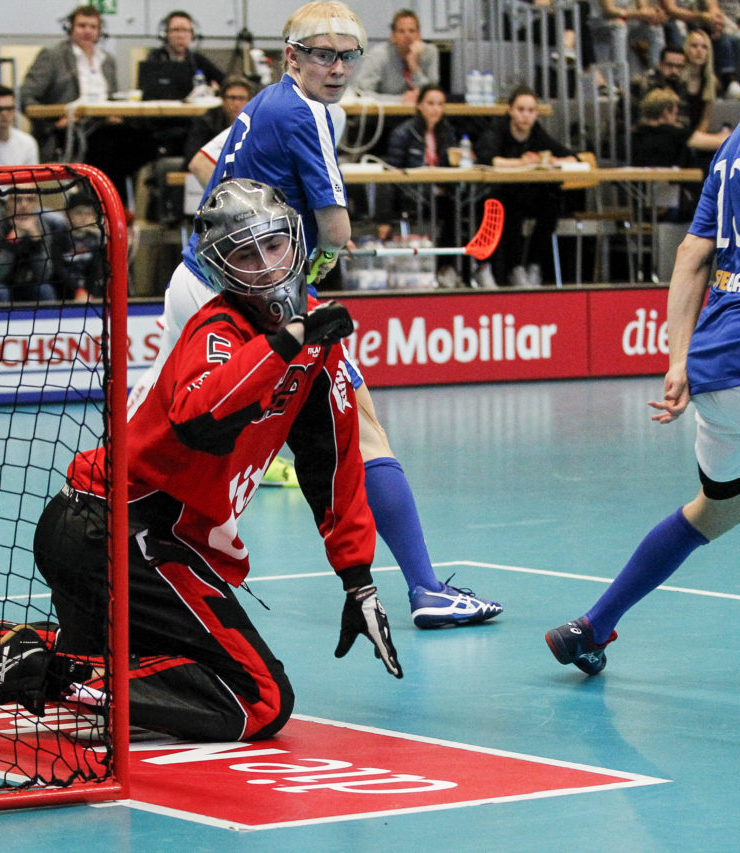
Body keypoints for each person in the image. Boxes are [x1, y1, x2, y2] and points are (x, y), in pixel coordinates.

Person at [0, 179, 403, 741]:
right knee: (259, 699)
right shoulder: (219, 330)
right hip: (124, 533)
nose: (266, 265)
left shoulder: (315, 345)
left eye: (274, 244)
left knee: (131, 657)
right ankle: (55, 675)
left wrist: (359, 583)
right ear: (224, 270)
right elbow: (202, 416)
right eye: (245, 254)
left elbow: (332, 466)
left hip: (94, 527)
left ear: (295, 241)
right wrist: (288, 341)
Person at [132, 1, 503, 629]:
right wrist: (320, 257)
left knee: (161, 419)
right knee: (362, 426)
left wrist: (282, 243)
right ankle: (426, 588)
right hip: (249, 296)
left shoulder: (267, 104)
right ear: (292, 57)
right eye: (322, 55)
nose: (337, 67)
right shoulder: (307, 111)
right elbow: (335, 224)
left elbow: (205, 163)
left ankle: (122, 551)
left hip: (201, 278)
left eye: (348, 55)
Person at [546, 125, 740, 676]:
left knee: (718, 510)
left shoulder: (730, 147)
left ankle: (592, 626)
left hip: (716, 372)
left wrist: (679, 360)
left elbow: (691, 254)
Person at [19, 4, 156, 203]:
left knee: (145, 142)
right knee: (108, 149)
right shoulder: (52, 56)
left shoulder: (107, 60)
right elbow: (26, 97)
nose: (88, 31)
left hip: (104, 125)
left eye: (93, 27)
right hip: (69, 129)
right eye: (82, 26)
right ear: (71, 29)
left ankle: (117, 206)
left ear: (100, 31)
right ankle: (105, 204)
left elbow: (112, 97)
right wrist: (54, 122)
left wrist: (115, 113)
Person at [474, 84, 577, 289]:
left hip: (526, 193)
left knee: (552, 201)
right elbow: (487, 159)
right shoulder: (498, 129)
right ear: (511, 110)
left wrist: (550, 161)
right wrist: (524, 163)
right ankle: (493, 268)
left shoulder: (537, 132)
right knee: (508, 206)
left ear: (537, 114)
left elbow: (570, 156)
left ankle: (533, 265)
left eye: (531, 111)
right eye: (521, 110)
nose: (525, 116)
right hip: (493, 193)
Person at [385, 83, 459, 286]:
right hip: (413, 195)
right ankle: (425, 273)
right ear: (419, 106)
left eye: (440, 104)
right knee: (436, 211)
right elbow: (391, 174)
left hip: (441, 194)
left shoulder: (447, 132)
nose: (436, 109)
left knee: (458, 211)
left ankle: (448, 269)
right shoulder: (403, 133)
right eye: (431, 103)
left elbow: (453, 164)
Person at [0, 189, 66, 304]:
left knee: (44, 290)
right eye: (17, 200)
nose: (24, 205)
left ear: (37, 204)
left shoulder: (41, 226)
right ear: (7, 202)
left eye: (30, 200)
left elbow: (44, 275)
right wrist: (12, 241)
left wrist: (36, 243)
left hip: (15, 284)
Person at [352, 8, 437, 104]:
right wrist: (399, 100)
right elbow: (361, 92)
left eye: (412, 31)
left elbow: (434, 96)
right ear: (393, 36)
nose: (407, 36)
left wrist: (414, 67)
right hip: (385, 115)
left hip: (421, 115)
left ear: (419, 34)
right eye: (401, 31)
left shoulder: (430, 53)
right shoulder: (379, 55)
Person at [181, 74, 255, 164]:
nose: (236, 103)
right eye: (232, 98)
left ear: (250, 101)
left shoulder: (256, 123)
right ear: (222, 99)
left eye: (242, 98)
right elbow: (192, 157)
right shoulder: (207, 121)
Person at [145, 10, 224, 89]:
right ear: (165, 34)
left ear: (193, 35)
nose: (181, 36)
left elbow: (225, 81)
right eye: (175, 30)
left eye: (185, 30)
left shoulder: (197, 60)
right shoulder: (155, 58)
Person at [590, 0, 668, 78]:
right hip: (599, 22)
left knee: (655, 26)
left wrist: (652, 14)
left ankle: (656, 71)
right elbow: (608, 12)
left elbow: (643, 7)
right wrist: (637, 14)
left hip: (626, 20)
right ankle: (620, 77)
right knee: (619, 26)